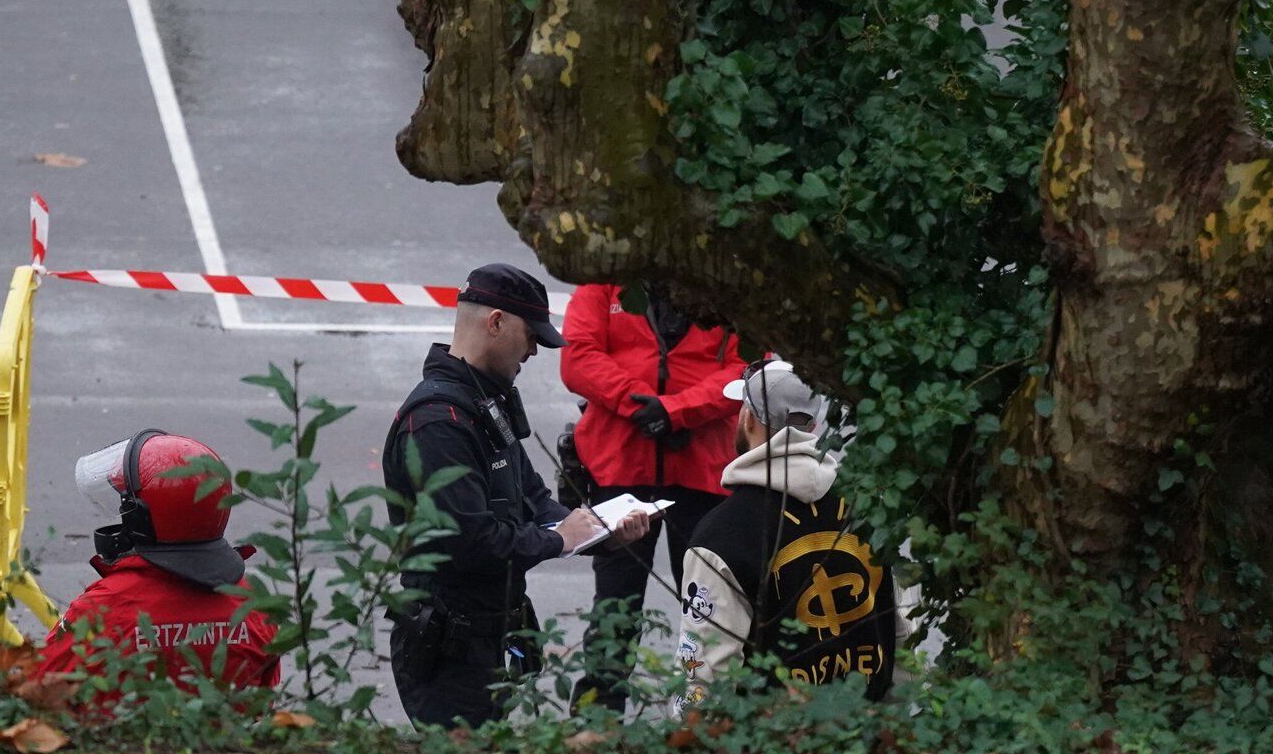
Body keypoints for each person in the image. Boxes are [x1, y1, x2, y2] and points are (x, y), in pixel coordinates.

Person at [382, 263, 651, 730]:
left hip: (493, 637)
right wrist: (558, 541)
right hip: (450, 650)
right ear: (496, 323)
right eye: (531, 336)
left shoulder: (486, 403)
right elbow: (470, 541)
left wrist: (599, 531)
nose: (533, 351)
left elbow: (535, 503)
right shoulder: (438, 423)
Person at [558, 282, 749, 711]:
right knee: (615, 608)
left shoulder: (724, 284)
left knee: (710, 609)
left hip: (702, 474)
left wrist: (675, 412)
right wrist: (642, 407)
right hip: (619, 470)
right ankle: (596, 722)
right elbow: (577, 359)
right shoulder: (602, 285)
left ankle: (708, 717)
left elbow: (745, 370)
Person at [672, 361, 897, 714]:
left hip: (768, 749)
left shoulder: (721, 536)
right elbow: (900, 633)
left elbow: (704, 674)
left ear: (747, 419)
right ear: (814, 425)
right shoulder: (868, 510)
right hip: (869, 734)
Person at [37, 430, 280, 690]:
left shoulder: (103, 608)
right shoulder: (254, 606)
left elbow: (42, 688)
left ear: (140, 519)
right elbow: (265, 696)